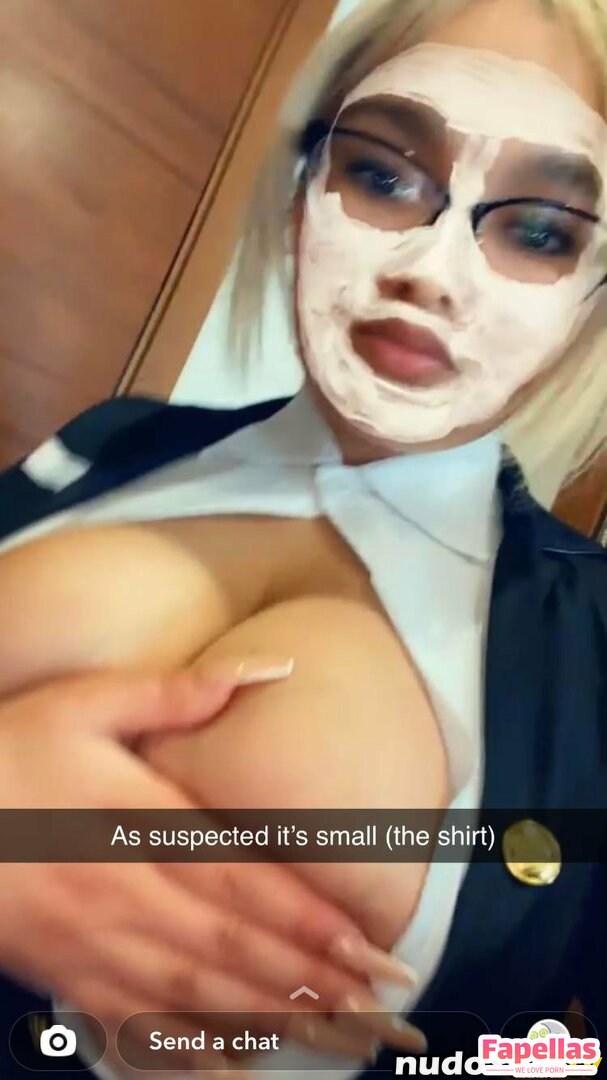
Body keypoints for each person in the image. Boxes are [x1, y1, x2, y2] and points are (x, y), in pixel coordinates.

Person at [0, 0, 605, 1076]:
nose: (430, 270)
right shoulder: (109, 442)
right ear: (300, 186)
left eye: (537, 231)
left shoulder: (591, 648)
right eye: (381, 174)